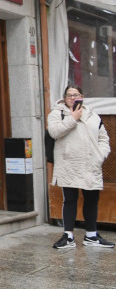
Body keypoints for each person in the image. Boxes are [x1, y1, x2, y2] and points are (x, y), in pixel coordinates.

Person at [48, 86, 113, 249]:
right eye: (69, 95)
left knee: (92, 200)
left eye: (75, 95)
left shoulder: (93, 115)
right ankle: (68, 236)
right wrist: (73, 118)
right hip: (69, 164)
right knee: (70, 200)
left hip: (91, 164)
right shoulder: (57, 113)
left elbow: (104, 138)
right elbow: (54, 132)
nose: (72, 98)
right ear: (64, 98)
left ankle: (91, 235)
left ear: (81, 97)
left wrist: (100, 155)